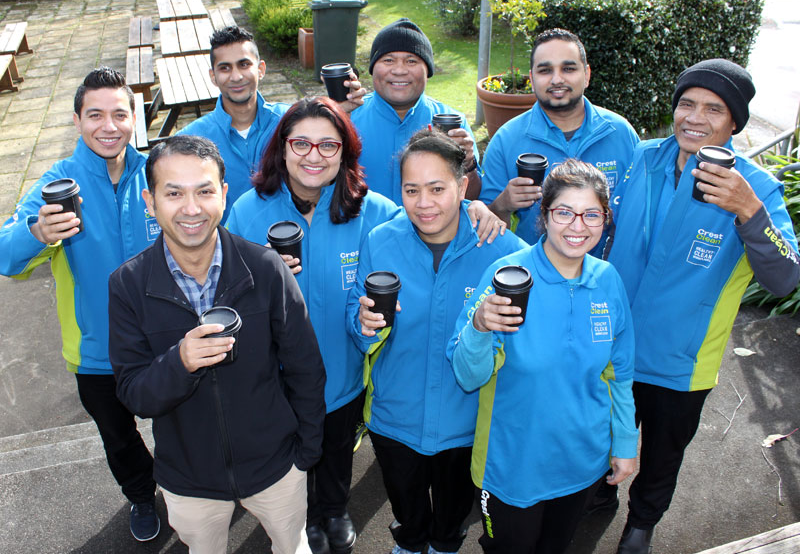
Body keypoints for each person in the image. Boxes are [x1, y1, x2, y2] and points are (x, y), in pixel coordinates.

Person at [227, 97, 507, 554]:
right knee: (288, 459)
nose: (313, 155)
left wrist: (477, 209)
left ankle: (334, 511)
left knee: (336, 450)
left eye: (328, 145)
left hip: (343, 367)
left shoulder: (372, 210)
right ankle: (300, 520)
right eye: (301, 143)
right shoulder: (247, 211)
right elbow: (226, 287)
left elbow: (428, 220)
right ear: (281, 149)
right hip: (274, 372)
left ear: (345, 152)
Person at [601, 59, 800, 554]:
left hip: (681, 362)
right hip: (610, 345)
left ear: (734, 123)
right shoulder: (641, 158)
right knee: (597, 435)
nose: (695, 117)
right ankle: (595, 498)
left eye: (714, 109)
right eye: (686, 103)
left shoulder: (756, 189)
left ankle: (641, 524)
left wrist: (748, 211)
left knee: (663, 455)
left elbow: (785, 277)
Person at [108, 135, 326, 554]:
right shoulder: (127, 286)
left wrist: (305, 453)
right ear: (149, 202)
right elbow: (134, 393)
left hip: (278, 467)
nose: (191, 209)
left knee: (293, 546)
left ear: (224, 195)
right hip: (189, 480)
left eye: (204, 191)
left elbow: (306, 367)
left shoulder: (265, 268)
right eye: (173, 193)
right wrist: (180, 361)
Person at [346, 129, 527, 554]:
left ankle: (444, 545)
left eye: (437, 188)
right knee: (408, 509)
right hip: (395, 419)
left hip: (467, 424)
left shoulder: (502, 249)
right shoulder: (380, 241)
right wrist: (362, 322)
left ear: (463, 186)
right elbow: (356, 326)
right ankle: (409, 543)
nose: (423, 203)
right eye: (411, 189)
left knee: (452, 515)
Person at [0, 67, 161, 541]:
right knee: (119, 437)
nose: (108, 126)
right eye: (95, 115)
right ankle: (140, 495)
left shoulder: (156, 172)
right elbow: (6, 255)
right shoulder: (58, 182)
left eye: (119, 114)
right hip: (96, 352)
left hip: (165, 341)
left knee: (180, 423)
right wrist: (36, 233)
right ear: (76, 121)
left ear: (134, 118)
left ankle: (185, 485)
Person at [448, 159, 638, 554]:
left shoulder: (608, 280)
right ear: (545, 215)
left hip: (582, 462)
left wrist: (624, 442)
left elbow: (618, 372)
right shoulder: (508, 276)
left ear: (606, 218)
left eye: (592, 214)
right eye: (565, 212)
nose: (578, 226)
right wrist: (479, 327)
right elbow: (468, 375)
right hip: (512, 466)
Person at [177, 25, 365, 220]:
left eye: (244, 64)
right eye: (225, 68)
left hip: (295, 240)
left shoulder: (294, 123)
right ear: (213, 76)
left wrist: (341, 113)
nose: (236, 76)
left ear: (261, 69)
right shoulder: (190, 140)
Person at [480, 28, 639, 250]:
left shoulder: (621, 134)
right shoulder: (506, 141)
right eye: (545, 70)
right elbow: (484, 226)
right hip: (534, 277)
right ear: (532, 79)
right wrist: (503, 204)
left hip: (606, 273)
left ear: (587, 75)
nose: (557, 79)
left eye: (568, 68)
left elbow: (639, 215)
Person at [351, 18, 482, 203]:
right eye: (388, 60)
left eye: (411, 61)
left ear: (427, 71)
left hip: (429, 230)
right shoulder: (348, 118)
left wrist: (468, 164)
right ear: (373, 68)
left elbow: (472, 197)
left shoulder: (454, 123)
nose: (399, 70)